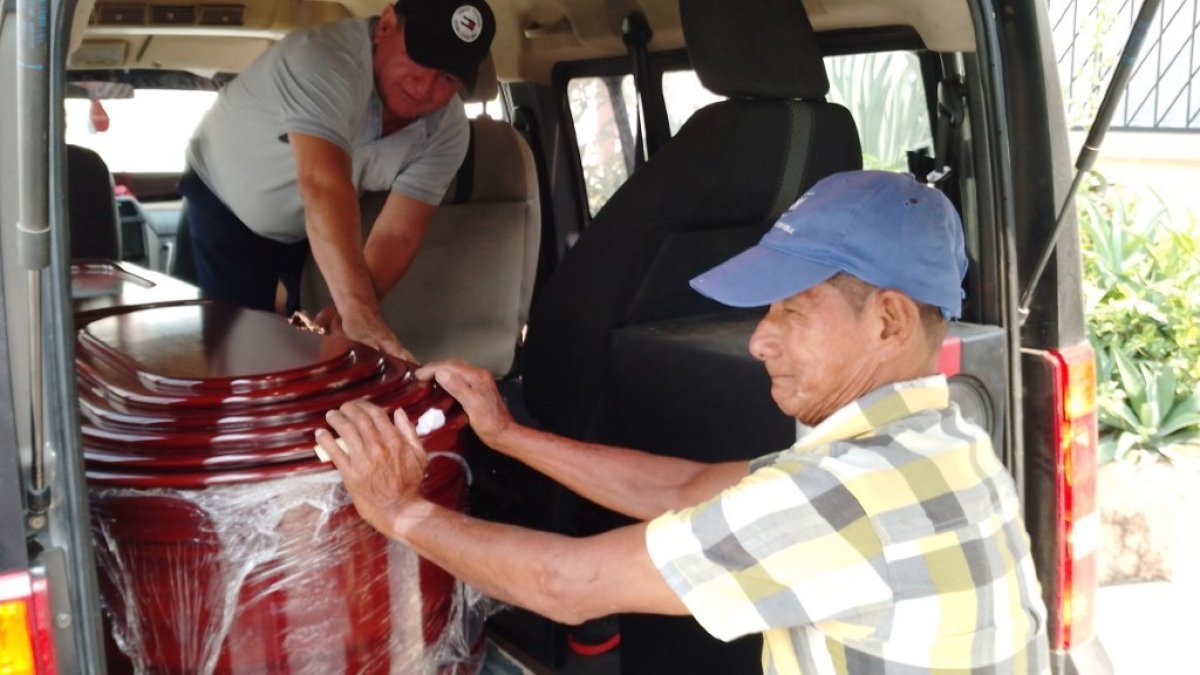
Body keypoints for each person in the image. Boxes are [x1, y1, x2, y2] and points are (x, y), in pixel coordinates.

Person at [316, 170, 1051, 673]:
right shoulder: (939, 441)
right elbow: (689, 489)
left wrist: (400, 511)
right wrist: (506, 432)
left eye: (791, 310)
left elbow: (566, 582)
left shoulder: (847, 495)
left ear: (888, 319)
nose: (762, 340)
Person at [181, 0, 495, 360]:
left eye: (448, 77)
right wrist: (361, 314)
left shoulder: (449, 131)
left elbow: (398, 233)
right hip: (227, 202)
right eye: (421, 59)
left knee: (314, 347)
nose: (425, 87)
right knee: (235, 353)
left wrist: (351, 315)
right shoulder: (321, 58)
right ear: (387, 25)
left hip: (312, 226)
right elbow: (323, 182)